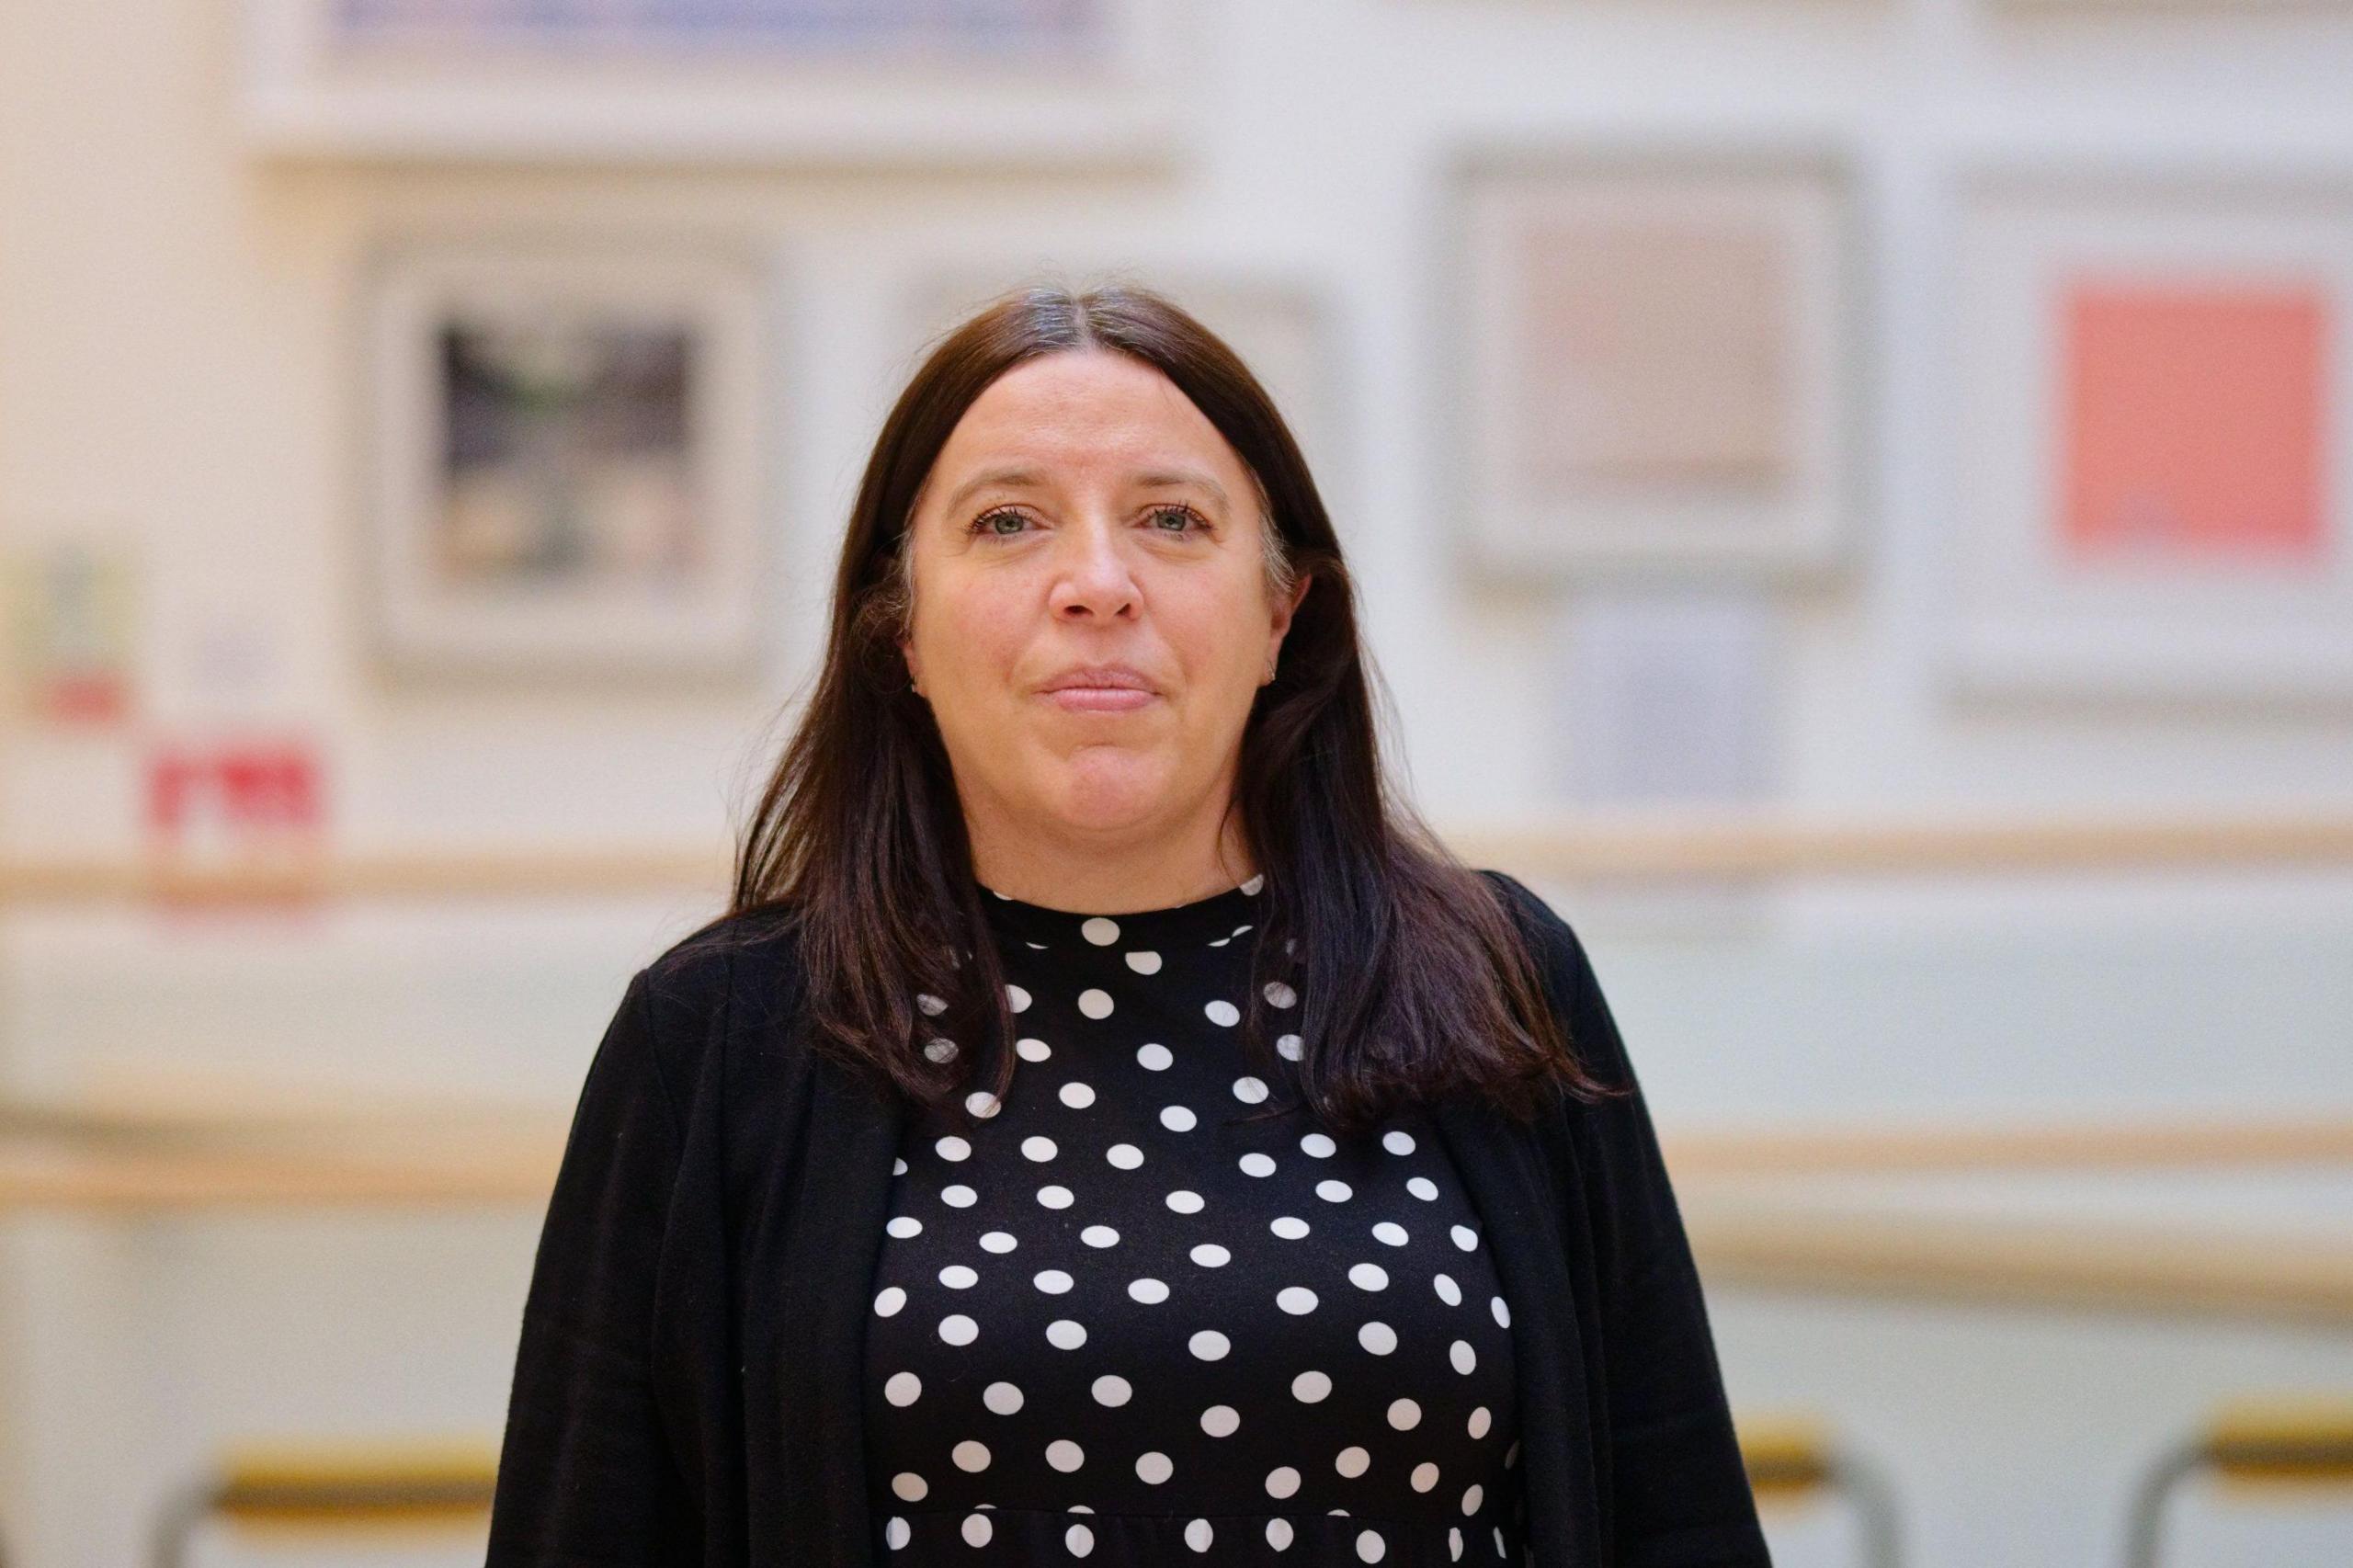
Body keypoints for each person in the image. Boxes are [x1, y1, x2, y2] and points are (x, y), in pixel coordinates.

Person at [484, 283, 1771, 1567]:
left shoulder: (1496, 975)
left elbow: (1676, 1509)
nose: (1096, 584)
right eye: (1007, 522)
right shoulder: (717, 1035)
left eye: (1170, 519)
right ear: (904, 632)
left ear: (1281, 614)